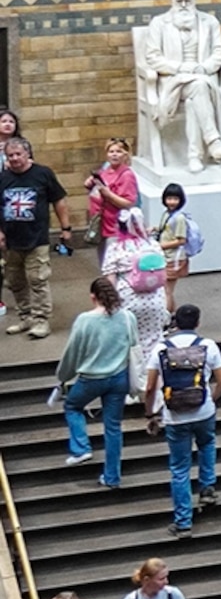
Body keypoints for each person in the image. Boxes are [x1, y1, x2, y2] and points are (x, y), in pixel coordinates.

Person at [143, 302, 221, 536]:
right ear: (198, 323)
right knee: (207, 443)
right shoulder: (208, 345)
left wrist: (150, 414)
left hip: (175, 415)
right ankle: (207, 486)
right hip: (204, 410)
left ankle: (183, 522)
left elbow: (149, 387)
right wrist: (211, 398)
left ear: (175, 323)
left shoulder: (160, 349)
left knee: (179, 469)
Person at [59, 276, 136, 492]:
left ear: (93, 297)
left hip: (91, 378)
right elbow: (134, 345)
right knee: (113, 427)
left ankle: (81, 447)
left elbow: (72, 353)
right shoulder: (128, 317)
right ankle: (112, 476)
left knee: (73, 406)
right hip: (119, 377)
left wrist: (63, 376)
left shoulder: (85, 320)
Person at [0, 132, 71, 337]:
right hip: (11, 240)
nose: (14, 158)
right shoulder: (3, 178)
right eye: (9, 155)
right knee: (14, 280)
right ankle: (26, 317)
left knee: (37, 279)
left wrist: (65, 228)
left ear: (27, 153)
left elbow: (59, 201)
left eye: (18, 154)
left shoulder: (43, 174)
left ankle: (41, 320)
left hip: (37, 238)